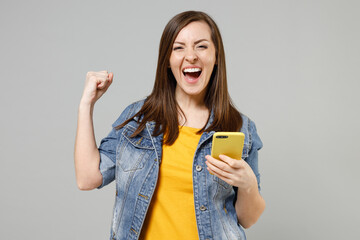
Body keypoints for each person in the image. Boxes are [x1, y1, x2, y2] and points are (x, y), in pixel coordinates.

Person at [74, 10, 265, 240]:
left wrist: (248, 184)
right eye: (179, 47)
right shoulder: (139, 118)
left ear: (216, 57)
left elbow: (248, 218)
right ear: (167, 59)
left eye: (201, 46)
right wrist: (86, 105)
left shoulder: (239, 127)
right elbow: (87, 178)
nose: (191, 56)